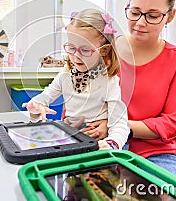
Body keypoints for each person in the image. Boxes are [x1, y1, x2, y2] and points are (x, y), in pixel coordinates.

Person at [86, 0, 176, 181]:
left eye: (153, 16)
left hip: (156, 154)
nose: (140, 23)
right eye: (135, 12)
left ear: (170, 16)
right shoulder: (105, 51)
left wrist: (116, 126)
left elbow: (173, 124)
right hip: (101, 144)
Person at [23, 9, 131, 150]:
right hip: (73, 140)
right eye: (71, 48)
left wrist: (112, 143)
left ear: (103, 50)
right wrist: (36, 106)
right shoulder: (65, 75)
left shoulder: (110, 81)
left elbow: (120, 123)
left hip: (101, 143)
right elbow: (46, 96)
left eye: (85, 50)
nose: (76, 56)